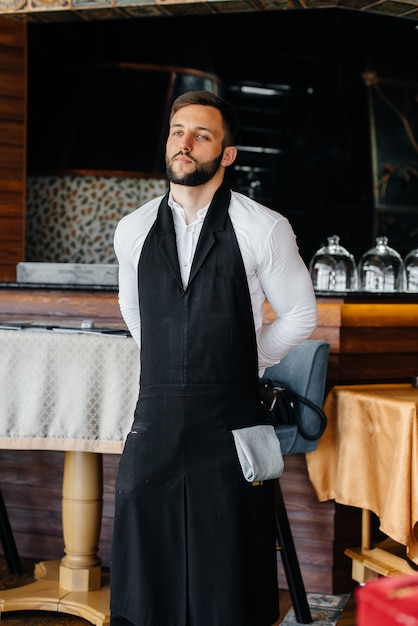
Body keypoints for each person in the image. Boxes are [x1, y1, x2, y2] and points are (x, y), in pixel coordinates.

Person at [110, 90, 318, 626]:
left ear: (226, 154)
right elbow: (132, 311)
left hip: (230, 423)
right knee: (145, 573)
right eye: (178, 131)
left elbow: (300, 315)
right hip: (153, 422)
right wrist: (173, 365)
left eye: (202, 134)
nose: (186, 143)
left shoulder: (263, 226)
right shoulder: (132, 230)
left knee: (229, 574)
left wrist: (245, 363)